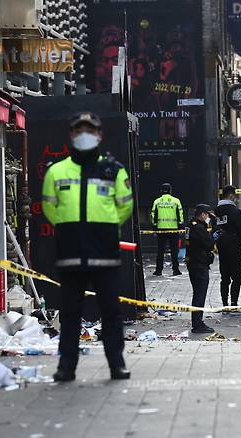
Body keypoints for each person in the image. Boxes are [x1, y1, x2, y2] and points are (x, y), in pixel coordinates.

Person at [42, 111, 134, 382]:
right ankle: (66, 368)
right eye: (79, 130)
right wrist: (67, 226)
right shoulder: (56, 171)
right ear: (71, 135)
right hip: (71, 252)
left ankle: (117, 365)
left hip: (104, 252)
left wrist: (107, 227)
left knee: (111, 312)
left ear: (99, 135)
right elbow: (49, 205)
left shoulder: (114, 170)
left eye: (90, 130)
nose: (85, 135)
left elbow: (125, 205)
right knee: (70, 313)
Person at [214, 186, 241, 306]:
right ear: (231, 196)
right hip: (235, 247)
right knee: (237, 277)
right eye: (235, 197)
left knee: (225, 277)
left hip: (222, 248)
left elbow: (214, 230)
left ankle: (224, 303)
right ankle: (234, 302)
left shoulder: (216, 211)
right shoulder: (235, 211)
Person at [185, 204, 216, 334]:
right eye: (208, 215)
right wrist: (215, 235)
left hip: (193, 262)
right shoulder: (198, 227)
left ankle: (197, 322)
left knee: (197, 293)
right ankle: (197, 324)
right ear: (203, 214)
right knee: (199, 294)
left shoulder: (191, 225)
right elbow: (208, 244)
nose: (208, 217)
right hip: (198, 264)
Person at [151, 183, 184, 276]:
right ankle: (176, 270)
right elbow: (180, 214)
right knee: (174, 250)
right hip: (173, 229)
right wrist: (181, 226)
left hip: (161, 229)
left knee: (160, 251)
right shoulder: (176, 201)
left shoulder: (157, 201)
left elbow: (153, 215)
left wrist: (155, 227)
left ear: (161, 191)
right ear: (170, 190)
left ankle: (158, 270)